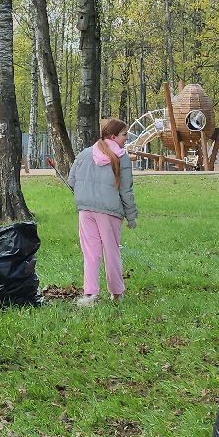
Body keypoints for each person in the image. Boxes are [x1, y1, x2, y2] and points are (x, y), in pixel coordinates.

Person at [67, 118, 138, 305]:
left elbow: (71, 181)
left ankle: (90, 295)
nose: (126, 138)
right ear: (112, 136)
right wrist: (131, 216)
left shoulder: (85, 154)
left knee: (91, 252)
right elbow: (126, 190)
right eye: (124, 135)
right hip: (110, 212)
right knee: (112, 251)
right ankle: (116, 293)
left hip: (85, 210)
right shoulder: (122, 157)